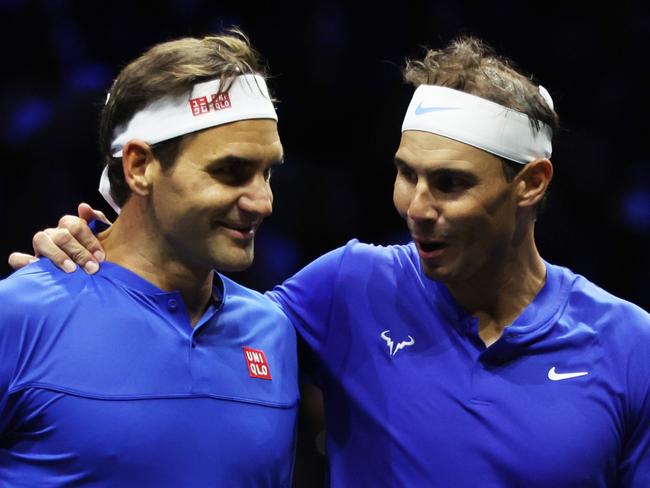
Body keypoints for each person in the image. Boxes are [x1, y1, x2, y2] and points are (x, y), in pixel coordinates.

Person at [11, 37, 650, 487]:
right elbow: (146, 294)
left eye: (449, 183)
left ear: (531, 184)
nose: (416, 208)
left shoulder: (631, 345)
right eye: (405, 175)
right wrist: (73, 259)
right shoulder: (344, 288)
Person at [0, 32, 299, 486]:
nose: (262, 201)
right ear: (140, 167)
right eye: (231, 172)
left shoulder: (273, 330)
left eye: (267, 172)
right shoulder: (20, 313)